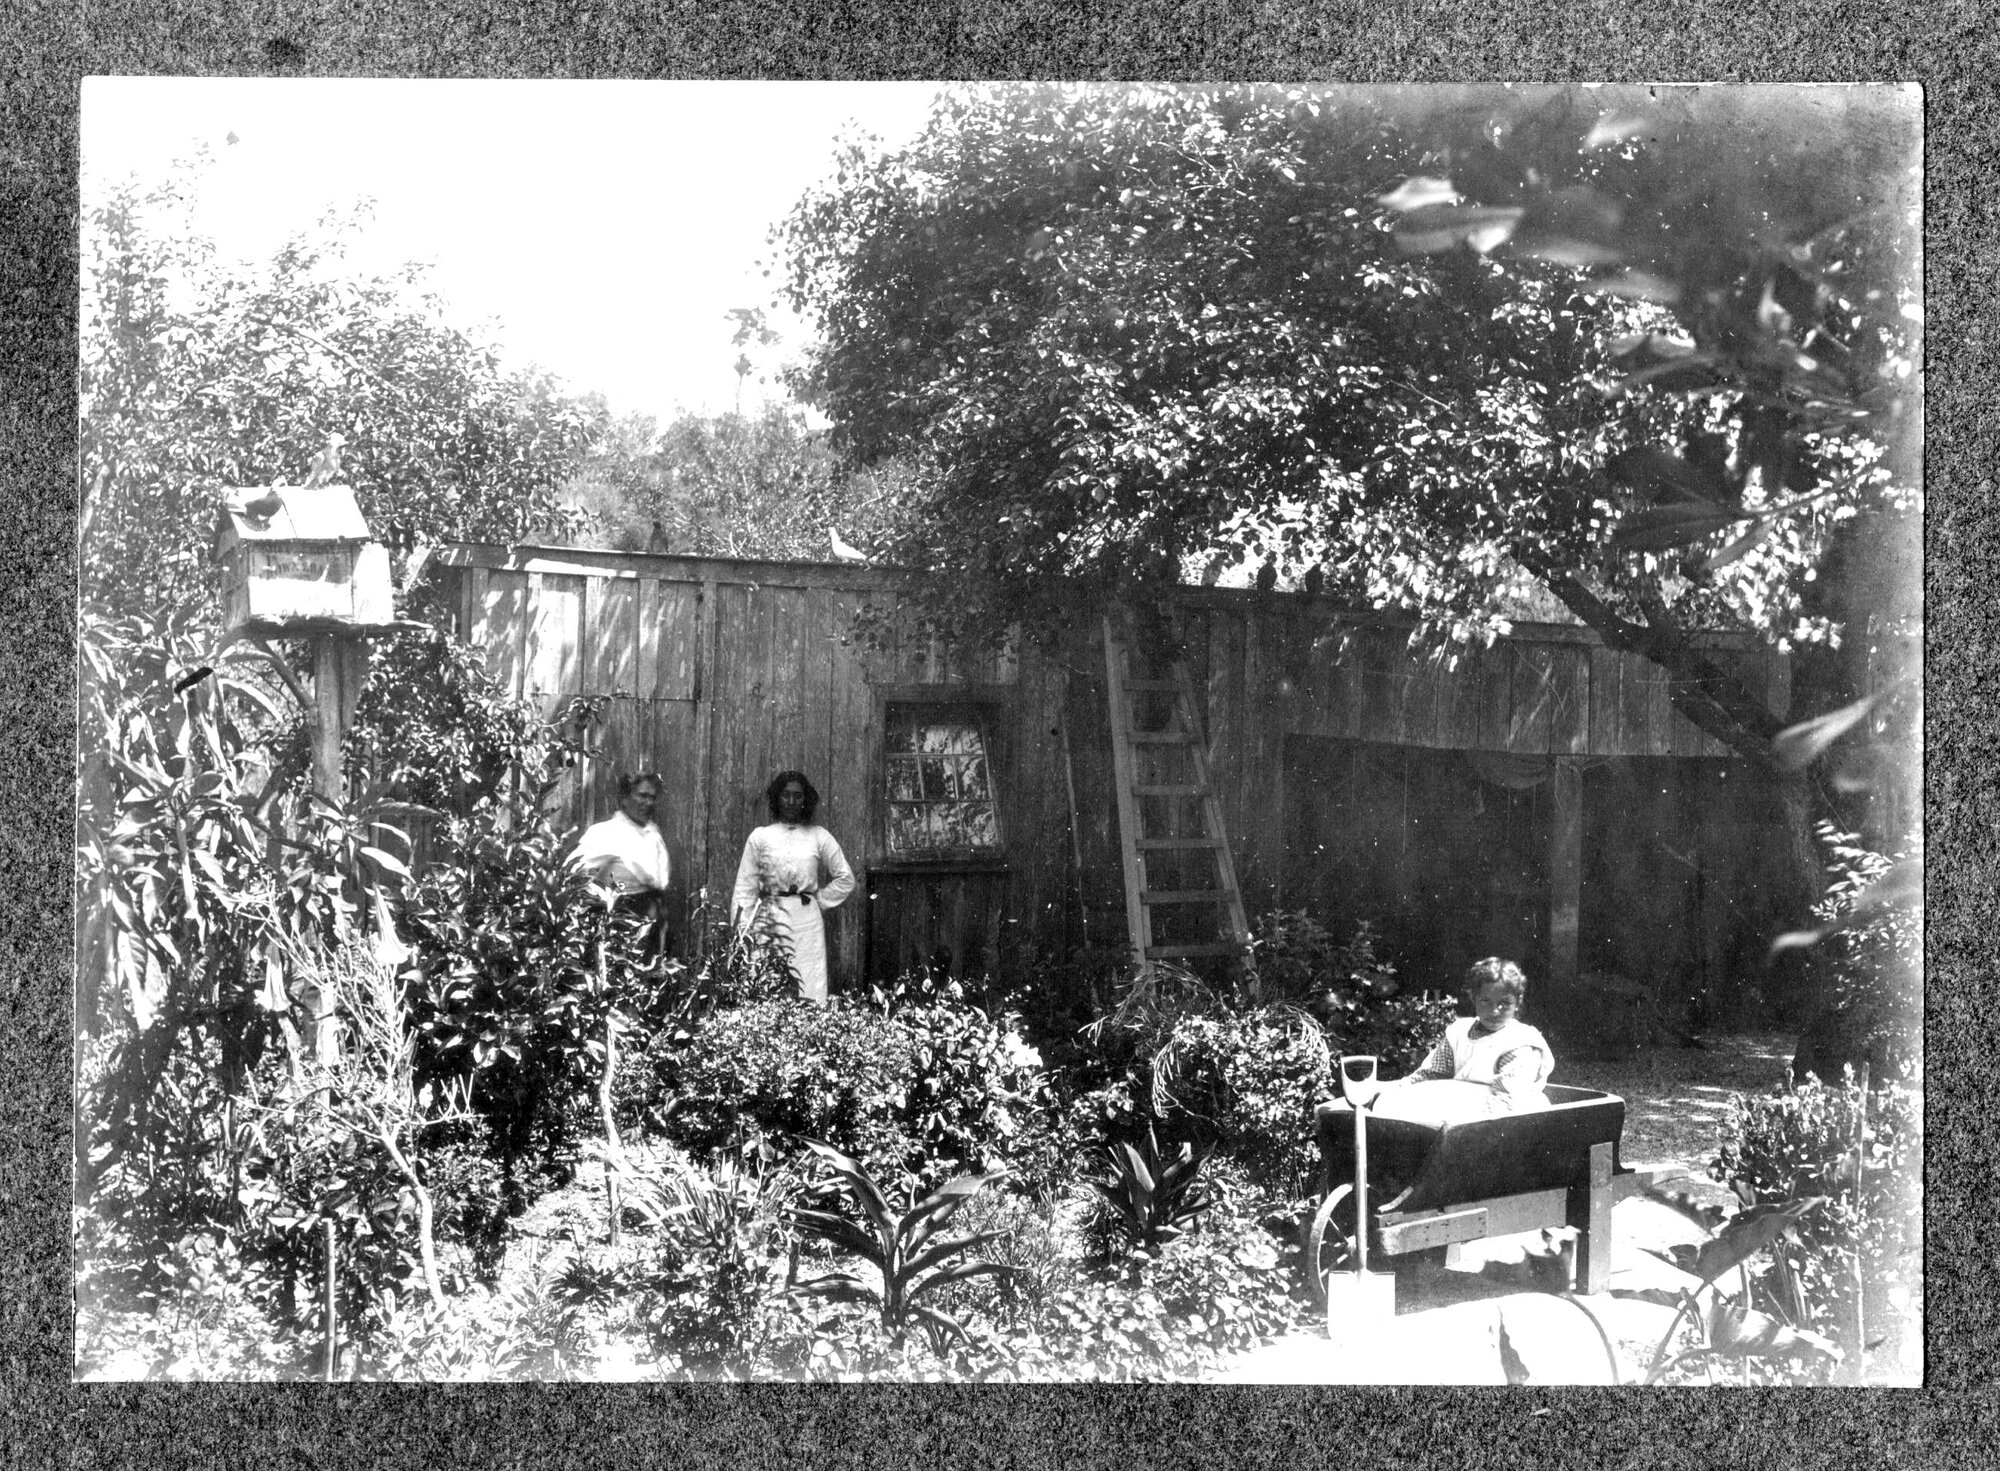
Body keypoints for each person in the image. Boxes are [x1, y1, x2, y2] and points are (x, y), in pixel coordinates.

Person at [1369, 956, 1556, 1121]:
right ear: (1473, 998)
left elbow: (1508, 1099)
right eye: (1486, 1001)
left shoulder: (1519, 1042)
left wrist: (1462, 1127)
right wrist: (1397, 1088)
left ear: (1518, 1002)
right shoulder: (1460, 1032)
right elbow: (1432, 1073)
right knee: (1394, 1101)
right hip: (1465, 1102)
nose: (1494, 1011)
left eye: (1504, 1003)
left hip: (1504, 1114)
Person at [731, 770, 856, 1002]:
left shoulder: (819, 836)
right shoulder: (760, 837)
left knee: (809, 980)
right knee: (765, 979)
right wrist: (741, 932)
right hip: (769, 917)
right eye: (786, 795)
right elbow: (744, 888)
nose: (791, 801)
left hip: (807, 920)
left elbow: (845, 878)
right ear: (777, 798)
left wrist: (820, 900)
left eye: (797, 796)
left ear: (805, 800)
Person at [572, 771, 673, 958]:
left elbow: (658, 882)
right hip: (623, 926)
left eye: (652, 797)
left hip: (655, 923)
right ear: (624, 798)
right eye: (642, 795)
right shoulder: (606, 833)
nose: (648, 802)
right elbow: (572, 873)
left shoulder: (652, 833)